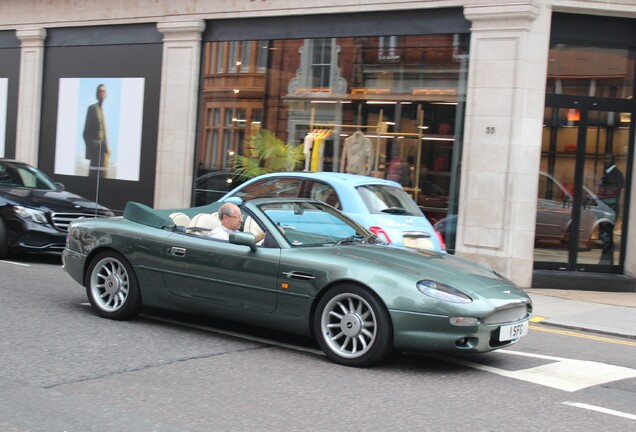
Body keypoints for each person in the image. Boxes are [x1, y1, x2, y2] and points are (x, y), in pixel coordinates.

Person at [597, 152, 624, 265]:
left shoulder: (615, 174)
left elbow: (615, 191)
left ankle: (607, 259)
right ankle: (606, 258)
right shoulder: (608, 173)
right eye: (604, 159)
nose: (605, 161)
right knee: (605, 233)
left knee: (606, 232)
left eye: (607, 159)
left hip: (609, 209)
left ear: (613, 160)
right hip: (606, 208)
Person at [83, 84, 111, 178]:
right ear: (97, 94)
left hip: (104, 155)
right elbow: (86, 133)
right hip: (96, 154)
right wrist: (97, 147)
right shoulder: (93, 108)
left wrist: (107, 151)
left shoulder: (102, 110)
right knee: (93, 181)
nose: (102, 93)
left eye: (103, 91)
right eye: (100, 91)